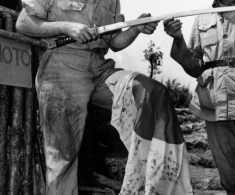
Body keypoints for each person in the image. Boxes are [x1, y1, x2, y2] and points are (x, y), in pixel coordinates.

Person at [16, 0, 193, 195]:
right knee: (62, 158)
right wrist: (66, 27)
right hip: (62, 64)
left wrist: (136, 28)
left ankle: (152, 185)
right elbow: (23, 24)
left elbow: (114, 42)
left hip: (101, 67)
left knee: (151, 91)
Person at [164, 0, 235, 194]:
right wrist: (178, 39)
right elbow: (195, 67)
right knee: (229, 179)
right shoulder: (202, 16)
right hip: (215, 105)